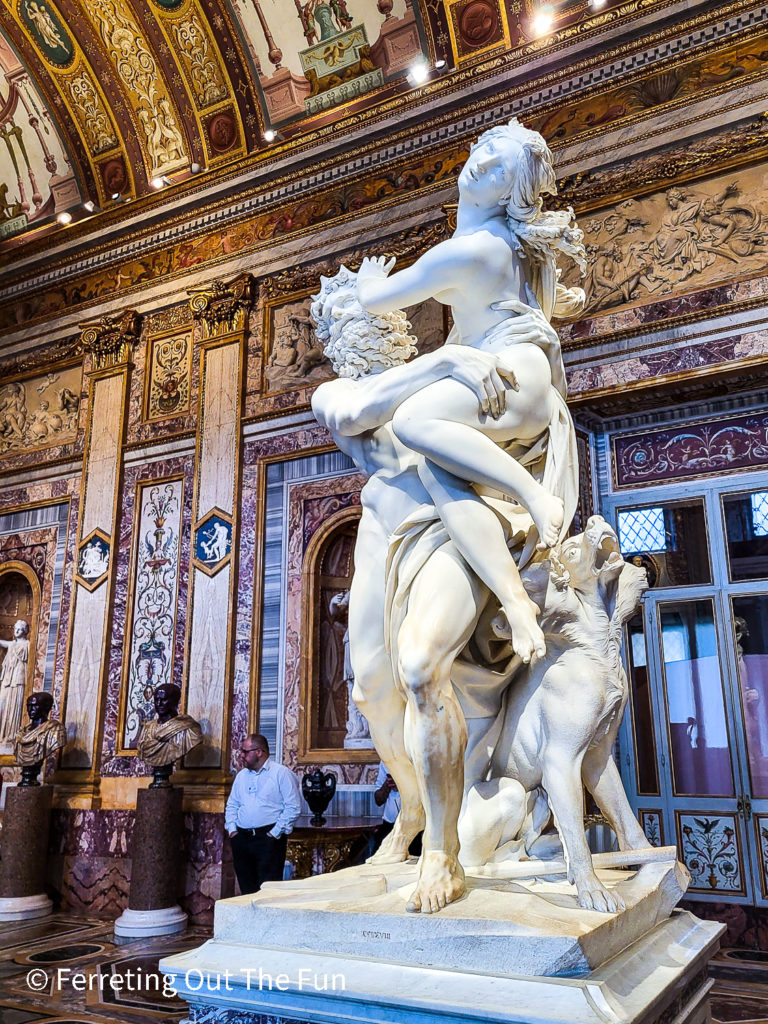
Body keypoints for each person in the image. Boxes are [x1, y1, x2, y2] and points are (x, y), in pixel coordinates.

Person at [225, 734, 301, 895]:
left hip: (268, 840)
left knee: (269, 892)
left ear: (259, 752)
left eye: (245, 752)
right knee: (247, 889)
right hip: (242, 839)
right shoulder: (241, 776)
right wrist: (232, 830)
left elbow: (293, 807)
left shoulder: (281, 773)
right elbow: (232, 805)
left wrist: (274, 834)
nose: (242, 756)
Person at [137, 683, 203, 786]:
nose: (159, 704)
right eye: (156, 700)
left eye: (163, 700)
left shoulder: (188, 728)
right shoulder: (147, 728)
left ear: (175, 701)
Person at [14, 691, 66, 785]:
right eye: (28, 706)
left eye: (34, 706)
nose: (30, 709)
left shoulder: (54, 730)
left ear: (46, 707)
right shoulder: (21, 733)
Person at [0, 619, 31, 743]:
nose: (16, 631)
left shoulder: (28, 644)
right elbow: (2, 643)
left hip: (19, 679)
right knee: (2, 705)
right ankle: (3, 735)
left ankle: (12, 737)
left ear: (24, 631)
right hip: (8, 680)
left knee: (15, 706)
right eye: (15, 629)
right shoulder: (12, 644)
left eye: (19, 629)